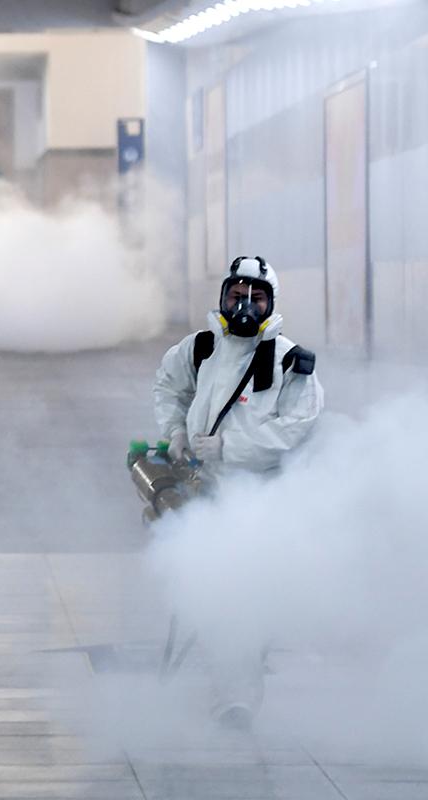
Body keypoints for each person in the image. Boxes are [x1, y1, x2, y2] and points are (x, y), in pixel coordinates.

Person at [153, 255, 323, 729]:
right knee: (210, 590)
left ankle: (236, 693)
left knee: (246, 594)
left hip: (260, 500)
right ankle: (228, 690)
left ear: (271, 304)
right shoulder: (200, 349)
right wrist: (175, 435)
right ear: (223, 297)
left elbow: (299, 427)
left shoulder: (290, 362)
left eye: (257, 297)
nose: (245, 306)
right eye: (236, 295)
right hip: (202, 493)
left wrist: (230, 448)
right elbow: (168, 388)